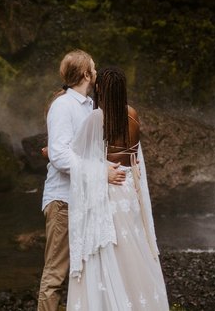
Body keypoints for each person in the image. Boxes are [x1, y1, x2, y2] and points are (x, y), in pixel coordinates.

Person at [67, 67, 169, 311]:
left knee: (106, 248)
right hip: (128, 188)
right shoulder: (132, 114)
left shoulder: (97, 117)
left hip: (109, 187)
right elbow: (134, 156)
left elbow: (78, 155)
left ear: (100, 88)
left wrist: (54, 153)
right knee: (132, 245)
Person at [38, 50, 126, 311]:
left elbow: (81, 151)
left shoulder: (89, 106)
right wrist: (101, 173)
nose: (97, 73)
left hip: (85, 199)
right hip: (64, 201)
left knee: (85, 269)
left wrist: (109, 166)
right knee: (56, 273)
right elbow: (61, 157)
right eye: (94, 68)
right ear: (86, 74)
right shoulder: (63, 106)